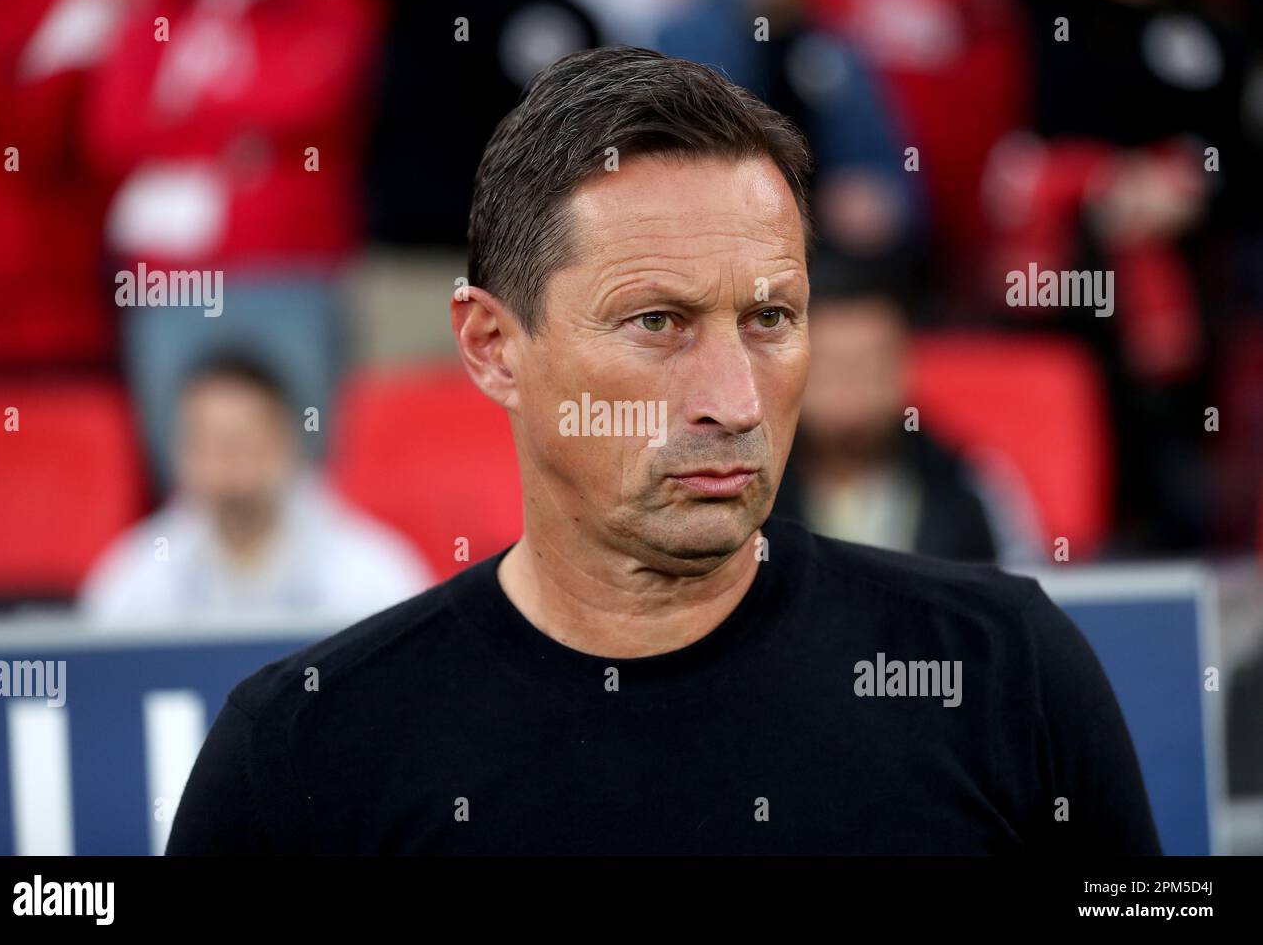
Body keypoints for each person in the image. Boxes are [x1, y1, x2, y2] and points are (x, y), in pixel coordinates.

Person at [167, 46, 1161, 854]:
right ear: (491, 346)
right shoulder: (304, 753)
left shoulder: (1002, 669)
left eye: (770, 315)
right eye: (656, 321)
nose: (732, 399)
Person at [79, 351, 432, 630]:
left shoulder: (374, 571)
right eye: (211, 442)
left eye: (247, 440)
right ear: (178, 453)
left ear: (291, 443)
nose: (230, 460)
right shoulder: (136, 577)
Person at [772, 268, 1044, 564]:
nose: (852, 392)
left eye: (871, 368)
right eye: (832, 369)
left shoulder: (971, 481)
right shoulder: (753, 492)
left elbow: (1021, 589)